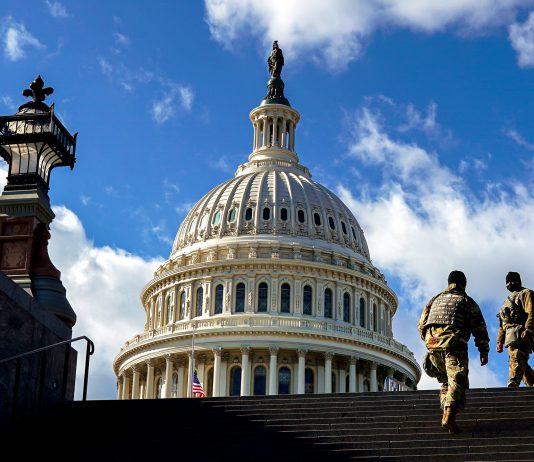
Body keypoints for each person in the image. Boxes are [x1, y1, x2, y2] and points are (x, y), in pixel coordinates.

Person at [418, 270, 489, 433]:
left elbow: (421, 324)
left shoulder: (434, 300)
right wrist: (483, 351)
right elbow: (479, 328)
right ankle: (449, 415)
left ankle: (446, 413)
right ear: (464, 284)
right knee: (457, 381)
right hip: (454, 347)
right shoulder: (466, 301)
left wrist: (431, 340)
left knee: (445, 382)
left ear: (448, 283)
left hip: (433, 348)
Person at [496, 271, 534, 387]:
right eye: (508, 282)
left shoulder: (526, 293)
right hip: (510, 337)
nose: (510, 284)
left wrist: (528, 329)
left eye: (512, 281)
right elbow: (503, 323)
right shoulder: (506, 301)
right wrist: (500, 341)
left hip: (522, 333)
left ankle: (512, 384)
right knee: (519, 362)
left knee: (517, 359)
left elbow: (531, 312)